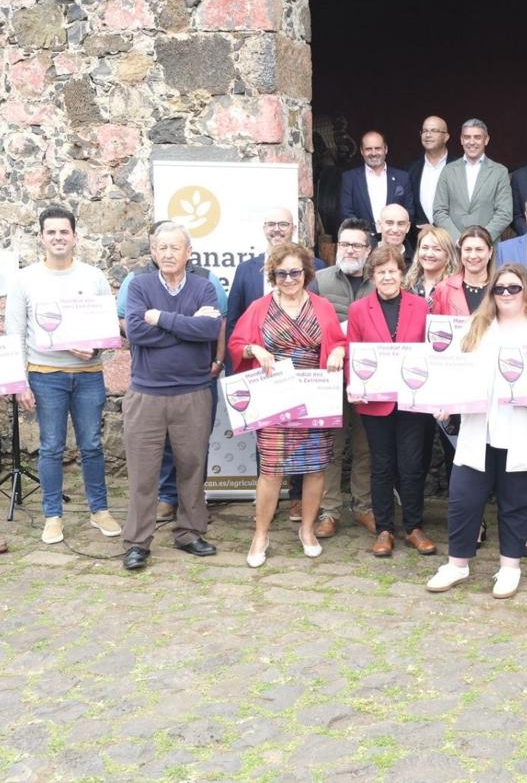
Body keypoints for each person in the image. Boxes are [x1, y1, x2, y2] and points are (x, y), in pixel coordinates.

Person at [425, 264, 527, 598]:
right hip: (481, 429)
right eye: (499, 289)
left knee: (516, 502)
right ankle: (457, 564)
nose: (506, 294)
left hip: (524, 430)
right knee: (463, 498)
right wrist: (445, 402)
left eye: (513, 288)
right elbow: (454, 373)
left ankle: (509, 567)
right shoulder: (477, 327)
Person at [228, 243, 348, 567]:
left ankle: (307, 530)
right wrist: (255, 349)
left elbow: (337, 340)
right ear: (273, 275)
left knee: (315, 466)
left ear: (306, 273)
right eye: (282, 273)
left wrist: (338, 351)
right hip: (275, 397)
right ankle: (261, 533)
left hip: (314, 397)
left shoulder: (322, 307)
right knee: (270, 468)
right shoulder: (259, 307)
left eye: (295, 272)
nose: (289, 279)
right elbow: (236, 343)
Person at [6, 206, 120, 544]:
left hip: (87, 375)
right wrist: (20, 383)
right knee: (51, 447)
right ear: (41, 237)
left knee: (92, 446)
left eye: (64, 232)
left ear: (75, 237)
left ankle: (99, 510)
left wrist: (96, 349)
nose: (58, 237)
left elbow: (106, 328)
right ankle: (52, 516)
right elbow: (14, 333)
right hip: (44, 376)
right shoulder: (25, 280)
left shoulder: (93, 276)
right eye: (51, 232)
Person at [121, 222, 223, 570]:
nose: (167, 254)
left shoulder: (204, 286)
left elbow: (209, 330)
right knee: (143, 471)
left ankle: (190, 533)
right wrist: (185, 327)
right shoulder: (139, 285)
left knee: (192, 467)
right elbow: (135, 331)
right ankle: (137, 542)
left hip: (193, 394)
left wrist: (161, 318)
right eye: (161, 248)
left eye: (174, 248)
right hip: (146, 394)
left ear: (188, 253)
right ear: (153, 252)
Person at [346, 245, 432, 558]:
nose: (386, 277)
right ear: (372, 276)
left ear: (401, 273)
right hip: (375, 401)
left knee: (411, 465)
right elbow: (352, 351)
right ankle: (384, 529)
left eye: (392, 271)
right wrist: (353, 385)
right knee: (381, 465)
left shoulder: (421, 307)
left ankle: (413, 528)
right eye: (380, 272)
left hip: (412, 398)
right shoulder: (359, 309)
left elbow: (430, 351)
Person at [308, 219, 375, 539]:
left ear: (369, 250)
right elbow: (306, 327)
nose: (349, 250)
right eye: (344, 244)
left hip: (369, 381)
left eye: (357, 245)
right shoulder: (318, 281)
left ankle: (363, 506)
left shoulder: (381, 282)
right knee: (331, 448)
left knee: (366, 447)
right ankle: (329, 511)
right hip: (329, 378)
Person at [227, 206, 325, 369]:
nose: (277, 229)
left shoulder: (317, 267)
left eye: (283, 224)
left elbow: (326, 326)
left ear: (294, 229)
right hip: (261, 370)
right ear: (264, 228)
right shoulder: (245, 269)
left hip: (310, 376)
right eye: (271, 224)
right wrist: (233, 367)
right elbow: (233, 323)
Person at [432, 118, 513, 241]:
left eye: (477, 137)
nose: (472, 142)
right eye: (467, 137)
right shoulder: (448, 171)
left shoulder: (500, 172)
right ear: (461, 140)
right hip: (454, 247)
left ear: (486, 140)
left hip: (487, 247)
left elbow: (504, 214)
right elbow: (439, 211)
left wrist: (482, 239)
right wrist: (459, 239)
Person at [340, 129, 412, 236]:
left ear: (386, 149)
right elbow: (346, 213)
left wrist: (393, 231)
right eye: (368, 149)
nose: (373, 153)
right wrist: (366, 236)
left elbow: (409, 211)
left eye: (378, 148)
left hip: (394, 239)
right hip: (363, 242)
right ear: (361, 151)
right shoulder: (349, 178)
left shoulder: (402, 177)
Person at [433, 226, 495, 316]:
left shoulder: (500, 288)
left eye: (479, 249)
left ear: (490, 252)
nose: (473, 256)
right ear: (461, 252)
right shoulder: (444, 289)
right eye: (468, 250)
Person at [407, 116, 452, 228]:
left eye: (434, 131)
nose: (428, 135)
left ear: (446, 137)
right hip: (420, 237)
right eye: (425, 131)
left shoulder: (459, 166)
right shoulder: (411, 169)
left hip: (453, 237)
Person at [404, 225, 461, 312]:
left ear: (448, 255)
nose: (429, 254)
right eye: (425, 248)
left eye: (437, 249)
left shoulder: (456, 288)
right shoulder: (408, 285)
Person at [377, 203, 415, 267]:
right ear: (379, 225)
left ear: (408, 227)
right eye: (389, 223)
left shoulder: (416, 261)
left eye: (401, 224)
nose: (395, 230)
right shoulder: (364, 255)